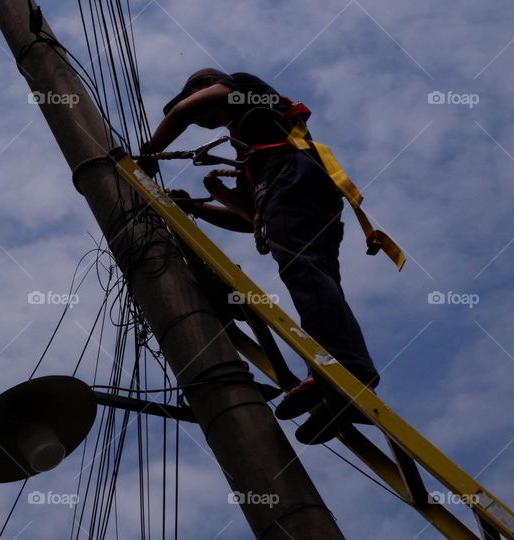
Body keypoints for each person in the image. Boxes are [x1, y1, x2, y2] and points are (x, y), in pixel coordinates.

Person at [140, 68, 379, 444]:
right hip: (299, 196)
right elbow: (251, 217)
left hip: (296, 180)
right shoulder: (248, 149)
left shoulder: (243, 89)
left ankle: (341, 368)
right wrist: (203, 203)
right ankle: (342, 379)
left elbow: (183, 112)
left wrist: (148, 156)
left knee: (303, 271)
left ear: (206, 87)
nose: (204, 123)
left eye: (203, 114)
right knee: (313, 277)